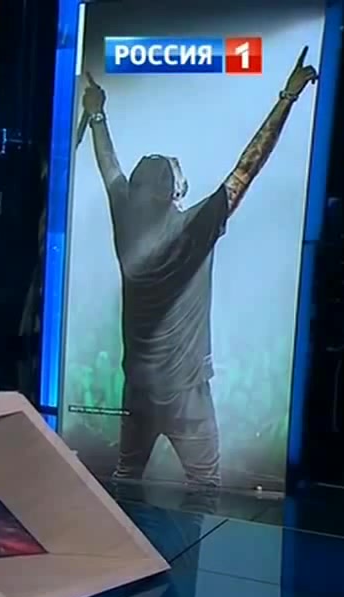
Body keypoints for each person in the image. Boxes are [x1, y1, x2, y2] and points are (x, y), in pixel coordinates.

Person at [80, 48, 318, 493]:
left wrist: (96, 116)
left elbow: (108, 164)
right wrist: (286, 98)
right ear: (177, 191)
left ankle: (119, 538)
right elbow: (248, 167)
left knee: (127, 477)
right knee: (204, 484)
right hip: (187, 394)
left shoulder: (124, 216)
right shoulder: (194, 226)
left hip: (138, 389)